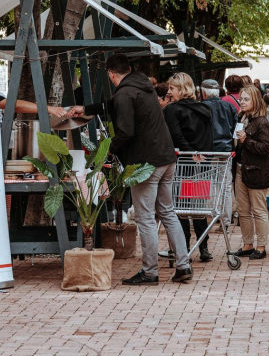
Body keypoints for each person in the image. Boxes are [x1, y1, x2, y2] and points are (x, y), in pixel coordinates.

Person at [86, 54, 192, 284]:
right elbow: (113, 106)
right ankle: (183, 265)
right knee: (168, 212)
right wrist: (85, 108)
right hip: (166, 158)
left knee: (144, 218)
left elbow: (125, 131)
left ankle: (150, 272)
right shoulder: (144, 87)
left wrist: (107, 150)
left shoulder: (124, 93)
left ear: (111, 75)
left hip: (145, 163)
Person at [164, 73, 215, 261]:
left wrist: (189, 152)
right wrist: (202, 155)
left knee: (181, 208)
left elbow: (175, 136)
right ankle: (204, 246)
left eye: (172, 88)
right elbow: (209, 136)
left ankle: (184, 247)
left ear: (182, 89)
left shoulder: (172, 110)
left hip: (182, 164)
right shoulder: (204, 108)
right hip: (202, 164)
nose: (169, 92)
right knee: (198, 205)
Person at [232, 86, 269, 259]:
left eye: (246, 99)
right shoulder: (244, 118)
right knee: (243, 210)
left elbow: (266, 148)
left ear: (255, 101)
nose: (242, 101)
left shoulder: (262, 122)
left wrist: (245, 140)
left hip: (256, 171)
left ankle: (261, 246)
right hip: (241, 169)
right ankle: (247, 244)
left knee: (258, 210)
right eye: (241, 98)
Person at [200, 78, 237, 225]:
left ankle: (212, 214)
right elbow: (235, 128)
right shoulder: (229, 107)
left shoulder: (202, 107)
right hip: (226, 150)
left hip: (208, 150)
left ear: (204, 92)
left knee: (208, 183)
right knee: (225, 185)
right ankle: (226, 220)